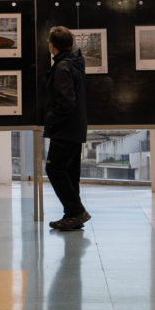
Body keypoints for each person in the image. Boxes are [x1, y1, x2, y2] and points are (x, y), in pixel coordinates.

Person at [44, 25, 90, 231]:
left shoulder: (62, 67)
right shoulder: (75, 63)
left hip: (65, 129)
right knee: (70, 173)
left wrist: (51, 119)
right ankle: (72, 215)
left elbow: (66, 102)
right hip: (76, 128)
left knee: (53, 169)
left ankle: (76, 211)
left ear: (52, 46)